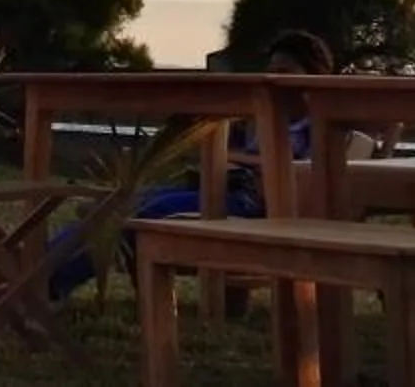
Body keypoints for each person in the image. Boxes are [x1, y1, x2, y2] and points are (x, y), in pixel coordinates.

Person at [43, 30, 335, 301]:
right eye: (271, 72)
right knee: (115, 202)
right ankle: (36, 265)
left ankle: (46, 282)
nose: (274, 81)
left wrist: (249, 165)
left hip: (250, 204)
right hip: (218, 187)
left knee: (130, 215)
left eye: (285, 73)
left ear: (314, 77)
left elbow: (304, 182)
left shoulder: (319, 128)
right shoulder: (259, 117)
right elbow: (228, 150)